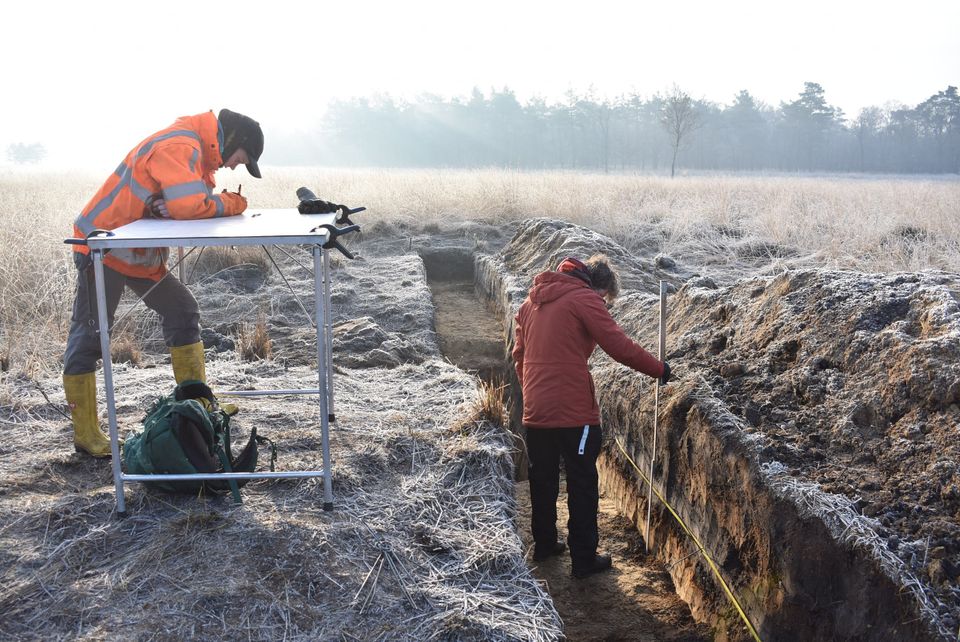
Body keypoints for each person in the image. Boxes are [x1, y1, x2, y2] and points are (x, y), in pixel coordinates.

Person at [63, 109, 264, 457]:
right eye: (240, 159)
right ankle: (86, 436)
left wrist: (164, 207)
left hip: (136, 252)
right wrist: (233, 201)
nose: (234, 167)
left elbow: (177, 205)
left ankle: (198, 406)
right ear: (232, 141)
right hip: (103, 245)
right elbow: (190, 207)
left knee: (183, 310)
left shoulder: (197, 155)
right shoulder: (180, 145)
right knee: (91, 336)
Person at [512, 254, 670, 578]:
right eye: (606, 300)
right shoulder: (584, 298)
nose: (605, 305)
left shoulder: (529, 305)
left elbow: (519, 357)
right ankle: (583, 560)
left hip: (536, 410)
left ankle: (544, 545)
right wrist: (658, 368)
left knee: (542, 479)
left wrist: (532, 393)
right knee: (582, 482)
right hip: (575, 415)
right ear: (599, 287)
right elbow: (618, 345)